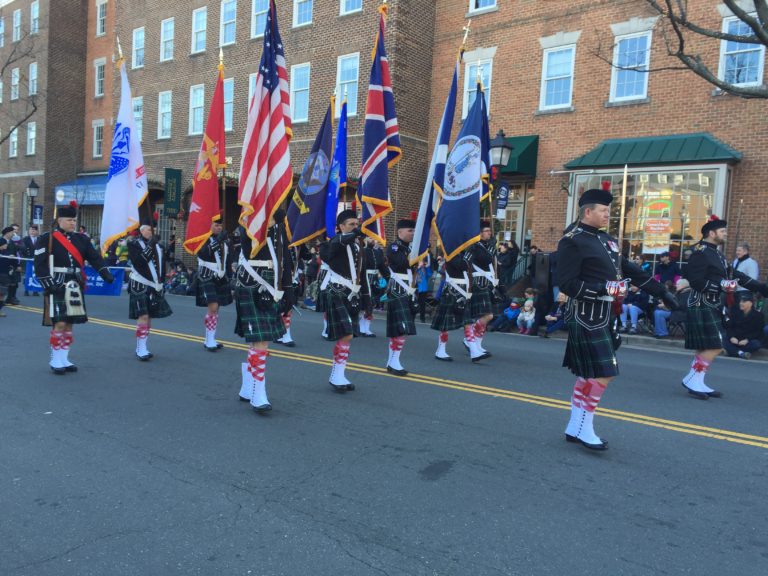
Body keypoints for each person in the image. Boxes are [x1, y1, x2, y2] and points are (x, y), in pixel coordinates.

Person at [557, 184, 677, 450]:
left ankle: (575, 425)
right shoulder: (572, 240)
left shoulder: (607, 240)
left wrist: (661, 292)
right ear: (587, 212)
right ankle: (585, 427)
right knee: (603, 373)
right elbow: (566, 283)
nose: (607, 215)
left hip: (608, 315)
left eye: (608, 211)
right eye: (603, 210)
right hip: (587, 315)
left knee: (588, 375)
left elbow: (630, 270)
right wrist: (604, 289)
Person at [681, 216, 768, 399]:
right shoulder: (700, 252)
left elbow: (735, 274)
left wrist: (760, 287)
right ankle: (694, 379)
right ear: (711, 233)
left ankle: (695, 378)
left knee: (706, 345)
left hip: (712, 302)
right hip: (701, 302)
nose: (726, 234)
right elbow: (695, 280)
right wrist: (720, 286)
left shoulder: (717, 254)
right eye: (722, 231)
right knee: (716, 344)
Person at [33, 201, 115, 374]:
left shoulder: (82, 239)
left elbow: (95, 258)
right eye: (69, 220)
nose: (73, 223)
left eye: (74, 220)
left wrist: (105, 273)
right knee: (60, 323)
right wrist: (48, 284)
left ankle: (65, 358)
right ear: (60, 220)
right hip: (57, 282)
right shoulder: (47, 239)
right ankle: (55, 359)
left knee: (70, 324)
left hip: (75, 283)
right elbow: (39, 265)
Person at [233, 210, 290, 413]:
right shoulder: (250, 223)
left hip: (273, 283)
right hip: (253, 283)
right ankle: (258, 391)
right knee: (261, 340)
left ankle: (248, 387)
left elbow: (285, 258)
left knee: (258, 340)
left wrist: (288, 288)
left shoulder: (280, 228)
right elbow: (249, 245)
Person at [319, 210, 364, 391]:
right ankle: (337, 375)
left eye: (356, 223)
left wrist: (367, 301)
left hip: (352, 293)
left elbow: (361, 273)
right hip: (336, 291)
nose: (355, 227)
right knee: (346, 334)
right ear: (340, 227)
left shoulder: (358, 247)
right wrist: (352, 234)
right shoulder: (332, 243)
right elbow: (332, 249)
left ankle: (339, 374)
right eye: (351, 224)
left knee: (348, 336)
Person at [128, 224, 173, 361]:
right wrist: (151, 245)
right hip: (140, 284)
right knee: (143, 316)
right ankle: (140, 349)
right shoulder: (133, 244)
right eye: (149, 229)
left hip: (154, 285)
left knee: (149, 318)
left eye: (154, 229)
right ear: (142, 230)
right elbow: (139, 262)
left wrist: (162, 282)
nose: (153, 231)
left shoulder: (159, 246)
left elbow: (161, 266)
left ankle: (143, 346)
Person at [382, 219, 418, 376]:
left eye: (414, 230)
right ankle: (395, 361)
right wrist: (416, 254)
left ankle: (392, 361)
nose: (413, 233)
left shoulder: (410, 248)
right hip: (397, 290)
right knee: (402, 328)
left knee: (400, 329)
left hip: (408, 290)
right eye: (410, 230)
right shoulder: (394, 247)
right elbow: (402, 263)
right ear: (400, 232)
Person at [195, 220, 233, 351]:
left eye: (220, 225)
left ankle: (210, 338)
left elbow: (228, 259)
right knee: (213, 307)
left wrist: (230, 276)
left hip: (221, 276)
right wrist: (217, 242)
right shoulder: (202, 239)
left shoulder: (226, 241)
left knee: (216, 309)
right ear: (209, 225)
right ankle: (209, 340)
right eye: (216, 225)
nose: (219, 227)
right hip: (207, 275)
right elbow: (203, 253)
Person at [430, 251, 474, 361]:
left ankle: (474, 349)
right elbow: (462, 266)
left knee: (467, 321)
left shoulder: (462, 254)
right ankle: (441, 350)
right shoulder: (451, 253)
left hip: (463, 290)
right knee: (446, 324)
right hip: (452, 291)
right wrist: (468, 258)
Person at [463, 221, 498, 360]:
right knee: (487, 316)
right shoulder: (475, 247)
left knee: (486, 317)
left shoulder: (485, 246)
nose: (489, 233)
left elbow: (494, 264)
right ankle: (470, 340)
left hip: (488, 284)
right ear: (480, 233)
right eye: (486, 231)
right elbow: (483, 260)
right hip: (478, 284)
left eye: (490, 231)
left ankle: (477, 344)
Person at [723, 295, 764, 359]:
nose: (741, 303)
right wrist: (732, 337)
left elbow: (758, 332)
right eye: (740, 302)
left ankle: (733, 351)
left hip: (747, 341)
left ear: (750, 303)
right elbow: (729, 327)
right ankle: (741, 353)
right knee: (724, 338)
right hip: (735, 339)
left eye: (744, 302)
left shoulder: (758, 315)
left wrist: (747, 340)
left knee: (757, 344)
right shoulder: (735, 313)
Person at [21, 225, 40, 297]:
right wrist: (26, 256)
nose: (32, 231)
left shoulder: (39, 239)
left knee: (36, 275)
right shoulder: (25, 239)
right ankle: (26, 290)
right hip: (28, 259)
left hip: (37, 260)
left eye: (34, 230)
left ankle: (35, 290)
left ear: (37, 231)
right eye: (31, 230)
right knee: (28, 275)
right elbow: (23, 249)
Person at [416, 258, 433, 323]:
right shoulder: (416, 268)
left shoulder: (425, 269)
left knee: (422, 304)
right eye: (421, 261)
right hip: (417, 288)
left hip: (424, 288)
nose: (422, 262)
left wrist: (427, 267)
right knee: (416, 303)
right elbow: (413, 274)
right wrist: (418, 267)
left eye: (422, 261)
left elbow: (430, 275)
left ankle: (422, 318)